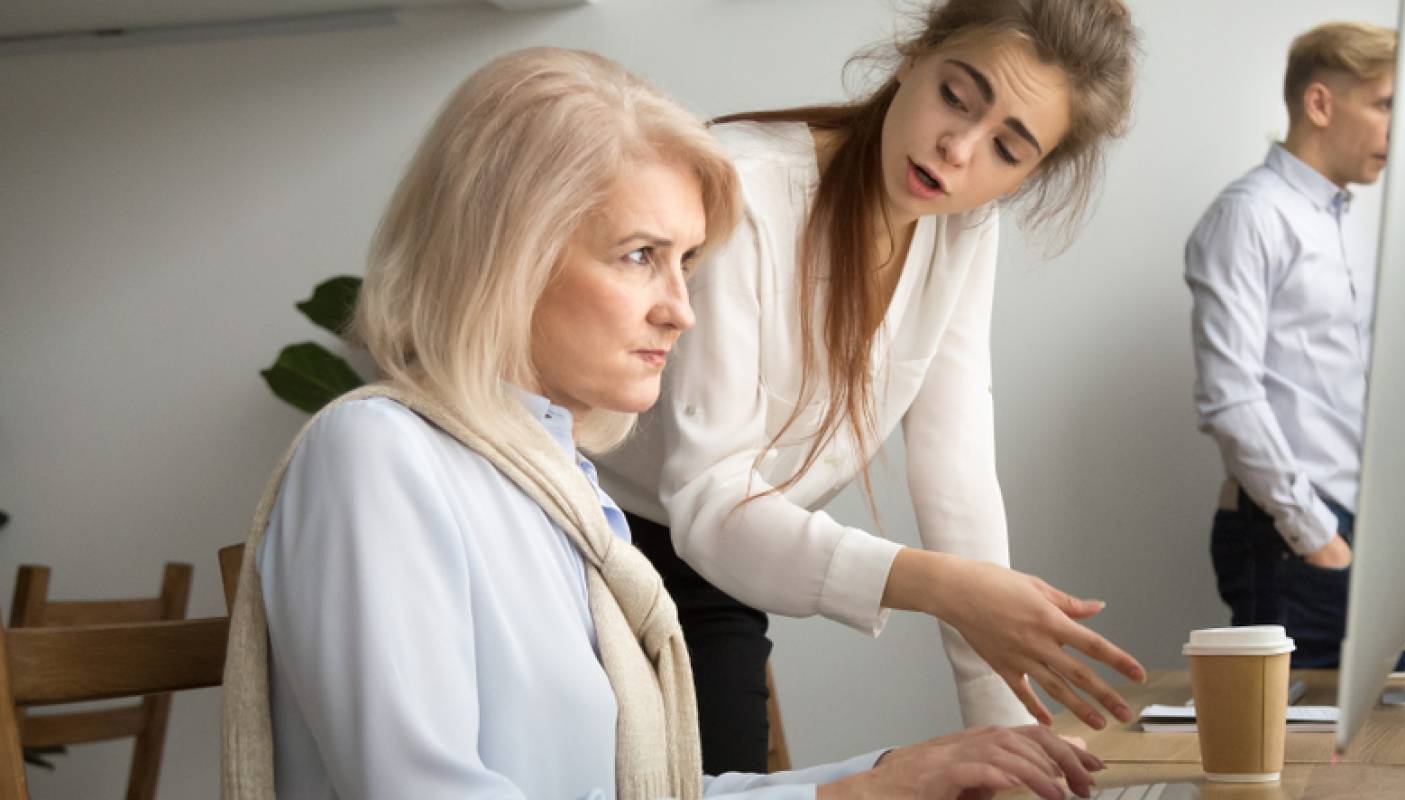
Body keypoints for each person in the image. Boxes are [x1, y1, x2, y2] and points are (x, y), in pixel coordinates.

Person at [219, 47, 1104, 800]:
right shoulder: (375, 457)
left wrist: (882, 779)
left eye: (686, 261)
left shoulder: (565, 498)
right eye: (641, 256)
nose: (682, 310)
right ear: (510, 250)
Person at [595, 0, 1145, 770]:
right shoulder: (746, 190)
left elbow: (955, 470)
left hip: (725, 562)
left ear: (1029, 174)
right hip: (594, 532)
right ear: (914, 56)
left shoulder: (963, 226)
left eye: (1007, 149)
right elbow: (708, 495)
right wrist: (938, 584)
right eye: (957, 96)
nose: (959, 149)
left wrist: (1010, 731)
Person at [1183, 21, 1395, 668]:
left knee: (1384, 726)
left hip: (1350, 525)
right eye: (1384, 105)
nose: (1397, 129)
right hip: (1293, 533)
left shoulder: (1346, 224)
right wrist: (1315, 535)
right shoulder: (1249, 216)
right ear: (1320, 103)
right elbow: (1230, 399)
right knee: (1293, 734)